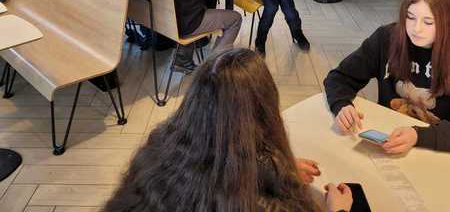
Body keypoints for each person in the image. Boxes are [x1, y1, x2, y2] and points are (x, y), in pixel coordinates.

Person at [102, 48, 354, 212]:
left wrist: (275, 167)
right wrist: (338, 210)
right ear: (266, 110)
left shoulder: (159, 150)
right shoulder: (251, 203)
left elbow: (222, 157)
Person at [324, 0, 450, 154]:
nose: (416, 29)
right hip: (386, 138)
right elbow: (339, 77)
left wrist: (418, 136)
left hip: (436, 148)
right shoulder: (386, 38)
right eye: (410, 17)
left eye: (428, 22)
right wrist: (342, 104)